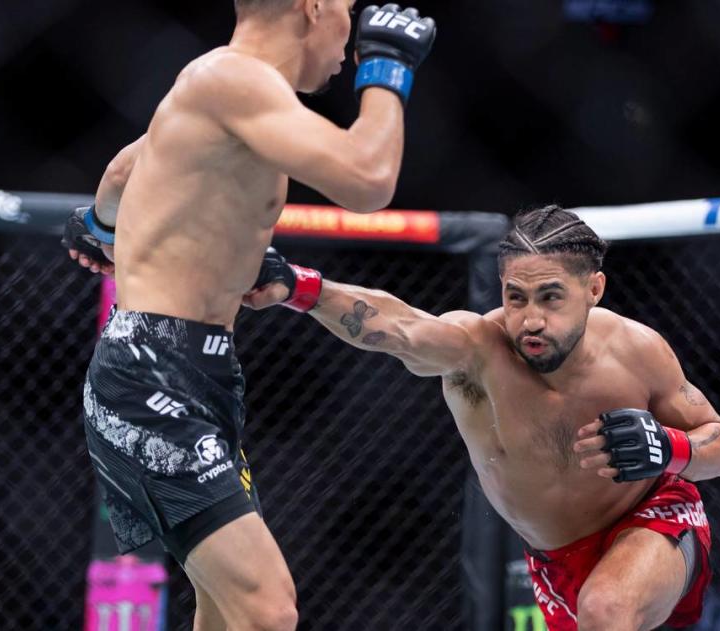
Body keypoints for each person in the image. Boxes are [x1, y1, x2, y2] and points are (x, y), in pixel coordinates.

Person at [60, 2, 437, 630]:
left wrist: (99, 226)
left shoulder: (225, 91)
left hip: (197, 374)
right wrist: (388, 67)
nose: (350, 34)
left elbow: (128, 167)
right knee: (266, 610)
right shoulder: (232, 81)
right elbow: (368, 178)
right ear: (313, 7)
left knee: (224, 613)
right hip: (151, 376)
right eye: (347, 10)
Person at [244, 205, 720, 631]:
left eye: (551, 296)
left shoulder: (638, 350)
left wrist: (671, 448)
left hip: (653, 516)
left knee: (607, 607)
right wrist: (299, 286)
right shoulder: (475, 351)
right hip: (554, 560)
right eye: (516, 297)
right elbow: (398, 326)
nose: (531, 319)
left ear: (594, 288)